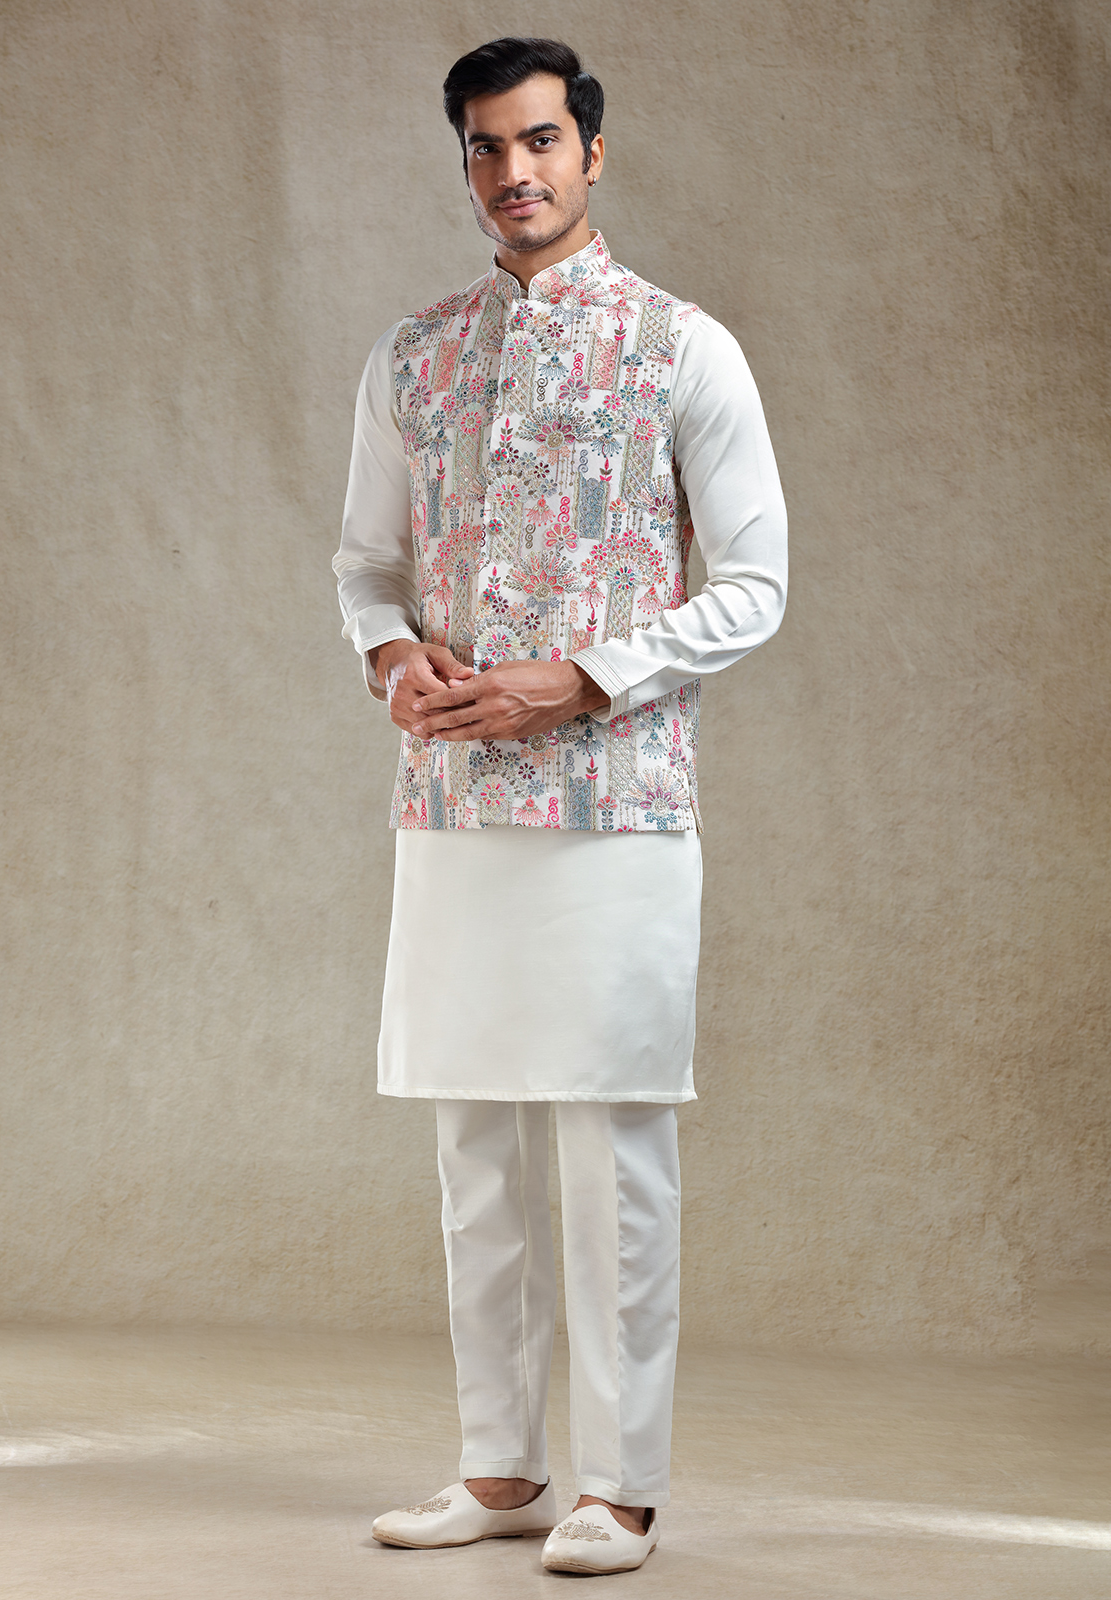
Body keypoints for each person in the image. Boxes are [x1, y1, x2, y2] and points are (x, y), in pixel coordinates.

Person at [333, 35, 787, 1576]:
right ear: (465, 161)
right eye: (485, 145)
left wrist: (584, 678)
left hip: (619, 806)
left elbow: (757, 586)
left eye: (538, 140)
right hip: (451, 802)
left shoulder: (680, 348)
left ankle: (623, 1488)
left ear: (593, 151)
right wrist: (390, 655)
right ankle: (500, 1467)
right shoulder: (415, 356)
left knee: (611, 1147)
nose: (512, 171)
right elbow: (365, 566)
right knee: (473, 1145)